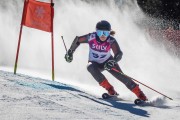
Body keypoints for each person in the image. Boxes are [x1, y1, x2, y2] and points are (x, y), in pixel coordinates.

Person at [65, 20, 147, 101]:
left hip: (108, 62)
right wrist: (70, 52)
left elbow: (119, 54)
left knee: (121, 77)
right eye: (100, 33)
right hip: (95, 63)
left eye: (106, 33)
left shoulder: (111, 40)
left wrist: (113, 62)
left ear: (109, 33)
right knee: (90, 67)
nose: (103, 35)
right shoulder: (91, 37)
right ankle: (110, 90)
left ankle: (140, 95)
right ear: (96, 32)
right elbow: (78, 40)